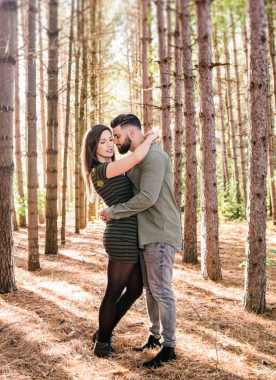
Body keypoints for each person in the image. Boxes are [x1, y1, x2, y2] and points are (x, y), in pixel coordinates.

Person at [99, 114, 183, 369]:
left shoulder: (155, 157)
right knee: (150, 289)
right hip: (146, 233)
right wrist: (150, 137)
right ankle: (154, 337)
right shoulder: (138, 158)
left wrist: (113, 212)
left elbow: (147, 197)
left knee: (161, 290)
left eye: (116, 136)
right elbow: (130, 168)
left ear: (131, 134)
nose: (114, 142)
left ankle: (169, 347)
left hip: (160, 230)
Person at [80, 124, 160, 358]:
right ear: (93, 147)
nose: (109, 145)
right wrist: (151, 137)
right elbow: (136, 157)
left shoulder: (107, 169)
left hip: (127, 232)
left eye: (110, 140)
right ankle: (102, 344)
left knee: (134, 290)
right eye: (102, 142)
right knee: (114, 291)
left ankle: (102, 331)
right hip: (122, 235)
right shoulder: (104, 169)